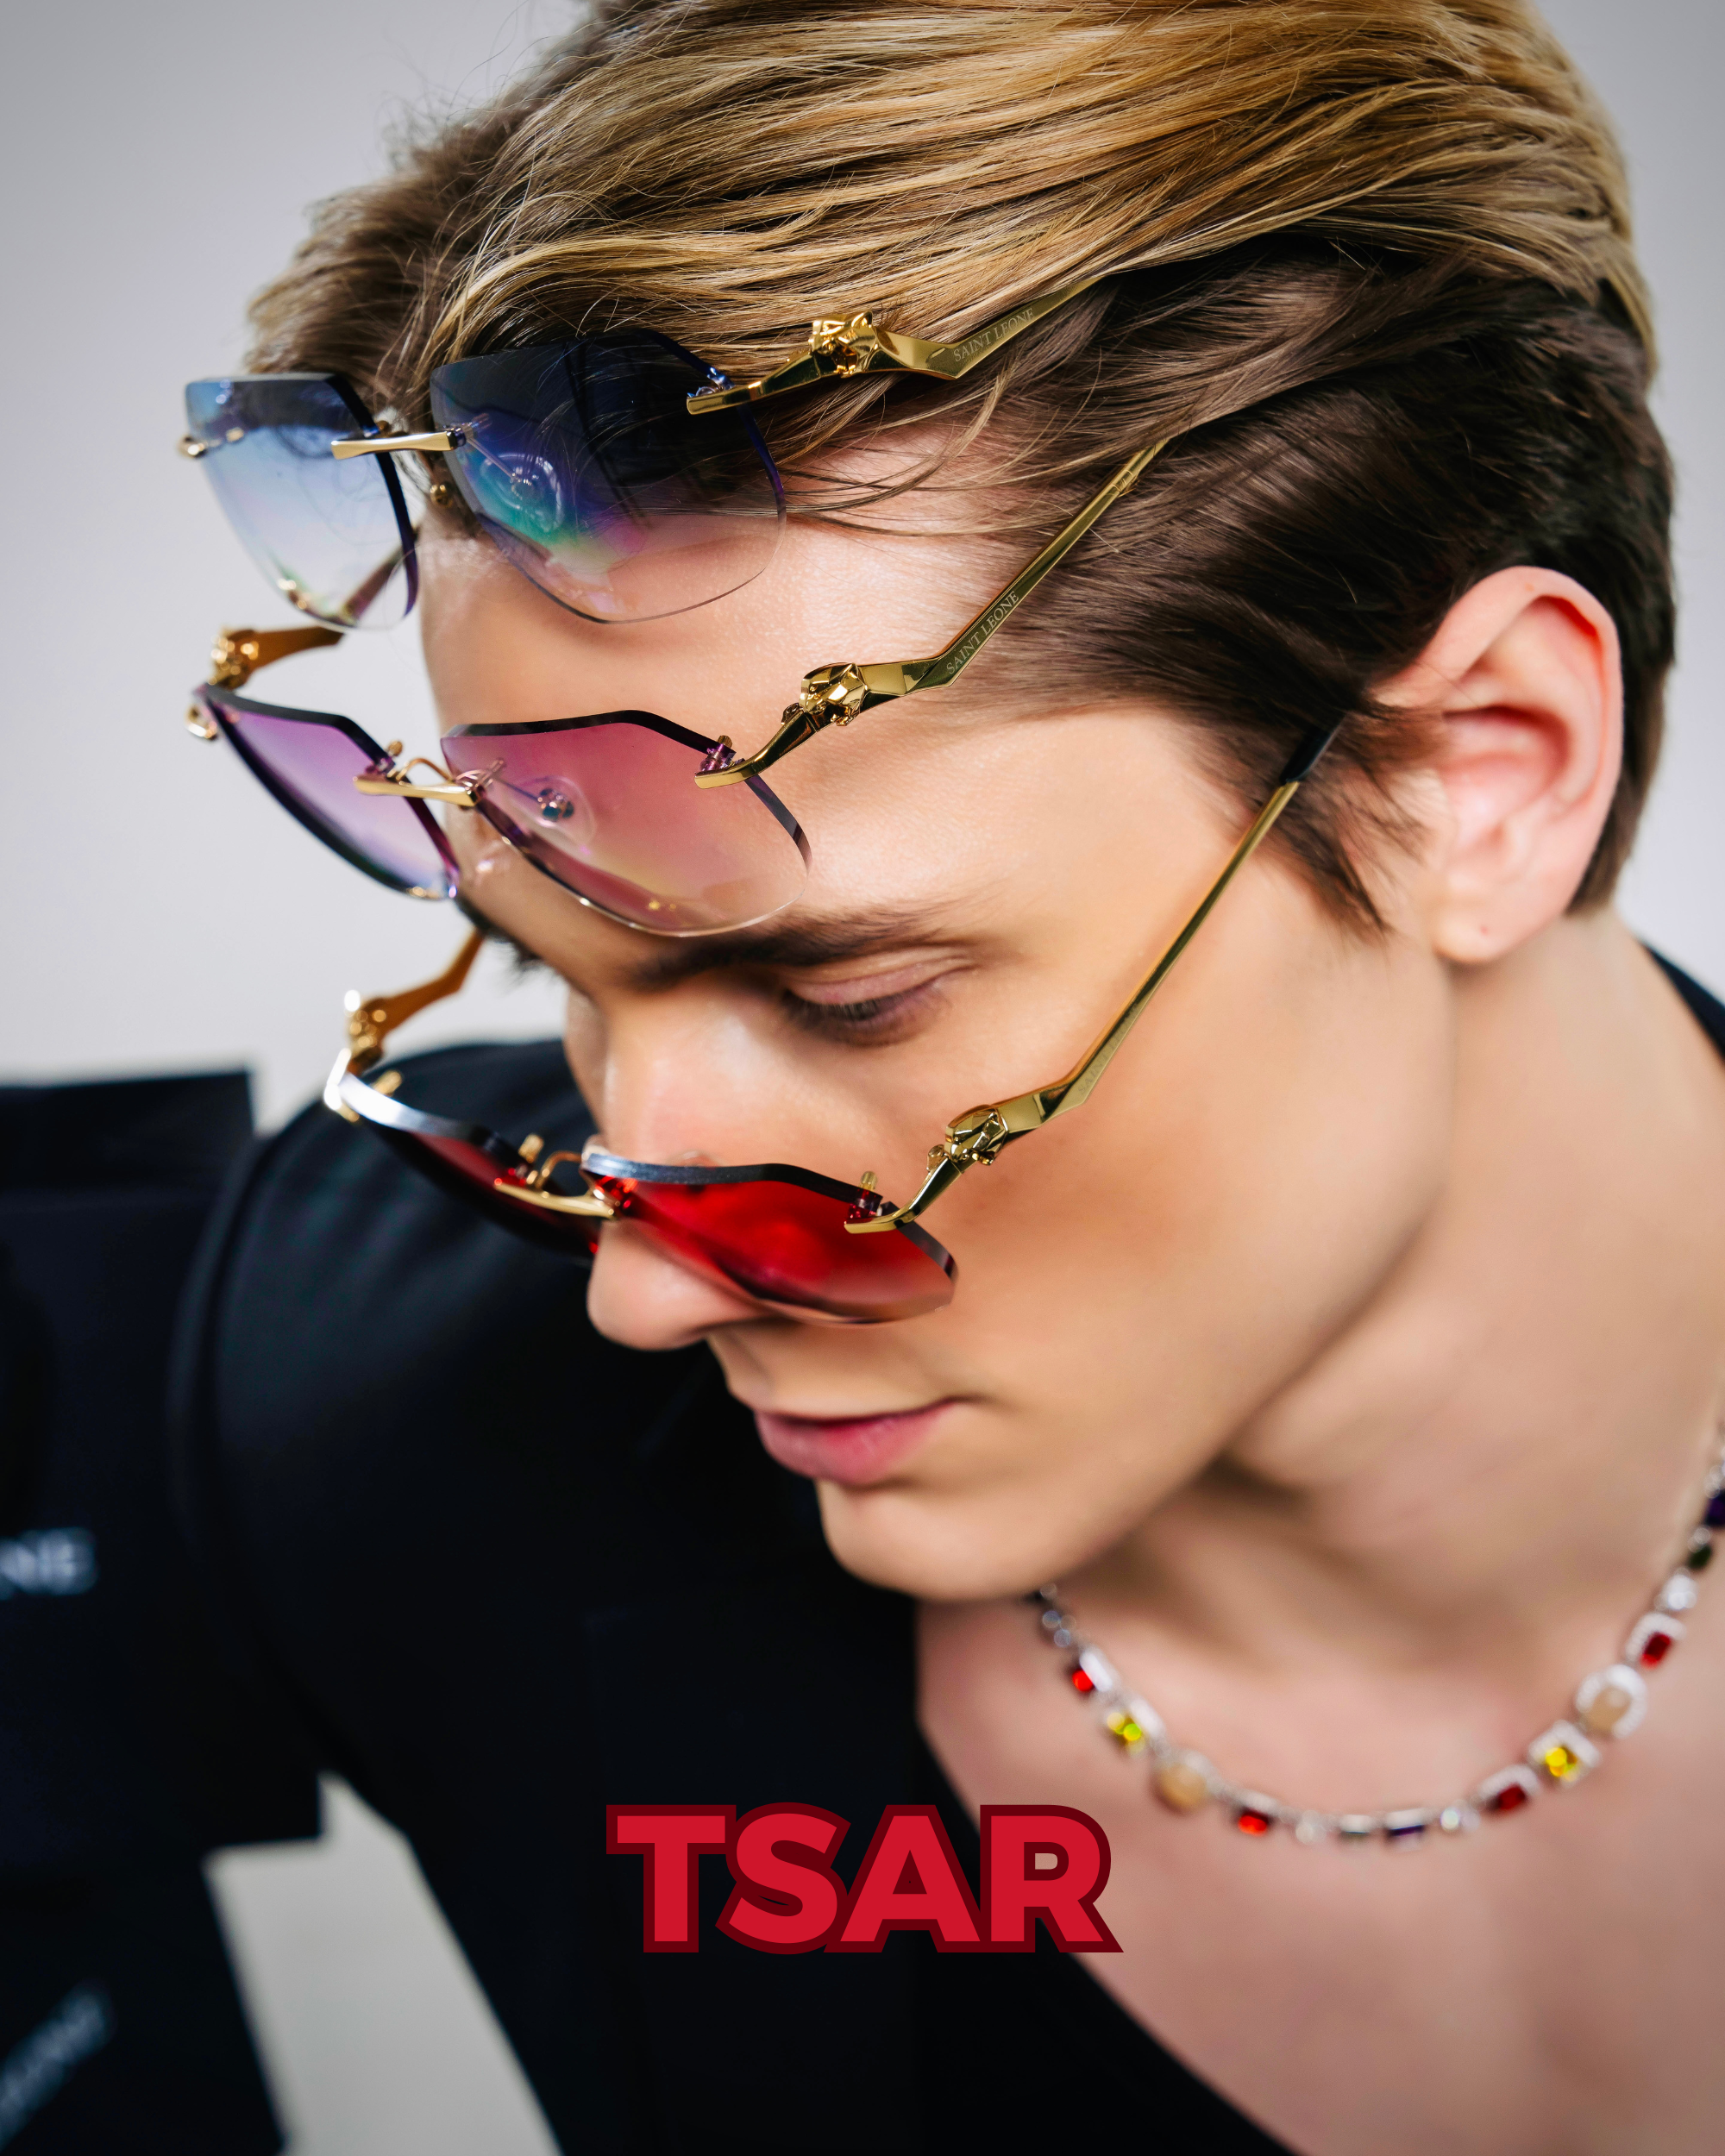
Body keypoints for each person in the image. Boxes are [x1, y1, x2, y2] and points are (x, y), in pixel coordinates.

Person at [171, 1, 1725, 2147]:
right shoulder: (378, 1405)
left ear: (1473, 773)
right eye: (552, 967)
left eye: (850, 994)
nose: (640, 1280)